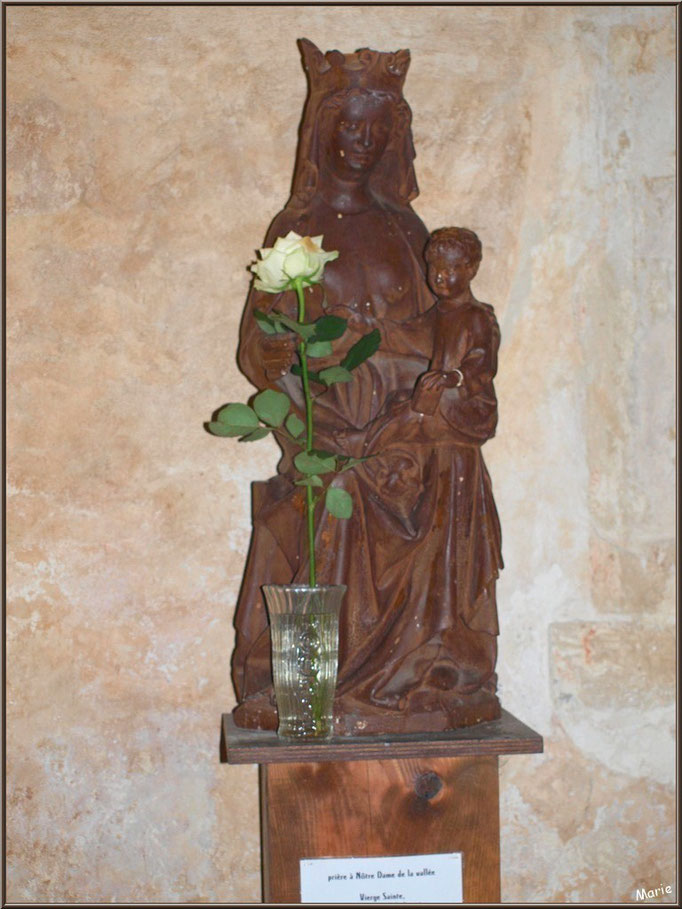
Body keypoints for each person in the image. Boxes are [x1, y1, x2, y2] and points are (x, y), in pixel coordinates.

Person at [232, 40, 502, 735]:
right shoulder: (294, 230)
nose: (362, 140)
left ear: (393, 139)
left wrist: (419, 400)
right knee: (308, 513)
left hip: (398, 438)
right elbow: (261, 348)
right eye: (348, 125)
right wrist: (302, 383)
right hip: (326, 431)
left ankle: (432, 669)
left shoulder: (404, 229)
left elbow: (439, 334)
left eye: (375, 128)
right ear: (322, 134)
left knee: (451, 470)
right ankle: (302, 685)